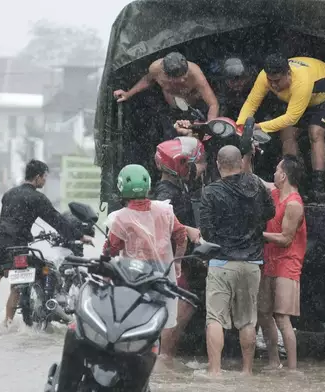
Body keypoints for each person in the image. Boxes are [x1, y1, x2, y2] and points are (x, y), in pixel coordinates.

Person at [0, 160, 94, 330]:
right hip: (19, 247)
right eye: (44, 177)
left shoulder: (9, 194)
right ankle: (8, 323)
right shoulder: (37, 198)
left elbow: (10, 219)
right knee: (16, 288)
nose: (45, 181)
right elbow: (56, 220)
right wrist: (80, 236)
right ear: (37, 177)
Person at [197, 145, 275, 378]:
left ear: (218, 165)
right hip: (252, 264)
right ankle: (247, 371)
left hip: (221, 263)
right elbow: (270, 213)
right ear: (241, 163)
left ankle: (214, 372)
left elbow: (207, 233)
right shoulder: (256, 185)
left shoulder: (210, 192)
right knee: (247, 320)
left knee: (215, 319)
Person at [102, 164, 188, 355]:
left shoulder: (119, 218)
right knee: (159, 322)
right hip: (163, 276)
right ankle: (157, 362)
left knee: (133, 323)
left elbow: (110, 250)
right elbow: (181, 235)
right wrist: (179, 262)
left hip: (134, 275)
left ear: (120, 186)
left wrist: (106, 275)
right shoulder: (165, 210)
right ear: (149, 185)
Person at [236, 54, 325, 199]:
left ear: (288, 74)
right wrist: (240, 126)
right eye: (270, 81)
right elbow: (251, 103)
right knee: (286, 135)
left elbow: (291, 118)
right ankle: (293, 182)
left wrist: (258, 127)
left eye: (277, 81)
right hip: (301, 97)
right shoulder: (265, 76)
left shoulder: (301, 81)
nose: (273, 85)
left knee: (315, 132)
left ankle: (318, 186)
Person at [147, 137, 206, 363]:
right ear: (179, 165)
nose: (197, 168)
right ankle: (164, 360)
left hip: (173, 260)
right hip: (171, 262)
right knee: (180, 309)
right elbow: (161, 218)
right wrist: (189, 229)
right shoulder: (166, 192)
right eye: (191, 164)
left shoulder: (174, 187)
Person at [256, 155, 307, 373]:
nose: (274, 173)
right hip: (270, 262)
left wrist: (258, 235)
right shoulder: (275, 193)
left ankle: (292, 369)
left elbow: (286, 239)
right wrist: (249, 153)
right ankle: (273, 362)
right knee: (263, 312)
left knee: (282, 318)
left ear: (284, 175)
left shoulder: (294, 203)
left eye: (277, 170)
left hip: (288, 264)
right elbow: (255, 180)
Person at [113, 51, 220, 121]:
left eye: (185, 76)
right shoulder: (155, 69)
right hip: (171, 110)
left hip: (195, 108)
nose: (183, 79)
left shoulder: (196, 74)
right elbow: (147, 80)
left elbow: (213, 104)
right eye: (179, 78)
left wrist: (210, 126)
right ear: (166, 74)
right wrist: (128, 94)